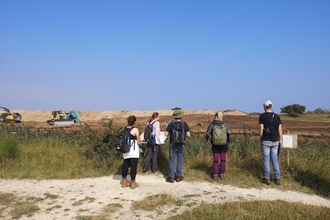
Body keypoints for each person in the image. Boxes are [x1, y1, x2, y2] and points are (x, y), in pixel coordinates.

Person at [259, 100, 282, 186]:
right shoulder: (277, 116)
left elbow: (261, 128)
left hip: (266, 140)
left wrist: (261, 138)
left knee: (266, 159)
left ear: (265, 107)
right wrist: (280, 139)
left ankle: (267, 178)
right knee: (274, 159)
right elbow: (280, 129)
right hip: (275, 140)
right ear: (271, 106)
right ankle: (277, 178)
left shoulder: (262, 116)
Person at [165, 109, 190, 183]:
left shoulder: (171, 124)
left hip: (172, 144)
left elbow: (166, 134)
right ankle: (178, 176)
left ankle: (171, 177)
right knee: (179, 160)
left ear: (174, 117)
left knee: (172, 160)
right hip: (181, 144)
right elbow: (188, 135)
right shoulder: (184, 124)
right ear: (181, 116)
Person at [205, 111, 230, 181]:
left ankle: (215, 174)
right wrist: (227, 142)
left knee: (216, 160)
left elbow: (207, 133)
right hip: (224, 144)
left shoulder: (212, 124)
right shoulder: (225, 125)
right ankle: (222, 174)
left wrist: (208, 140)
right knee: (223, 160)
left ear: (216, 116)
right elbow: (228, 134)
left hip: (215, 144)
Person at [121, 115, 143, 189]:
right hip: (133, 151)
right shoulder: (135, 129)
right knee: (133, 167)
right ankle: (133, 182)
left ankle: (124, 181)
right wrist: (141, 148)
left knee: (125, 166)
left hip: (126, 150)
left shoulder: (125, 129)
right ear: (135, 122)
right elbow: (139, 141)